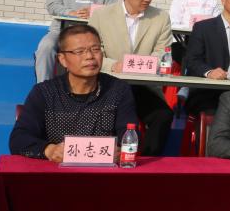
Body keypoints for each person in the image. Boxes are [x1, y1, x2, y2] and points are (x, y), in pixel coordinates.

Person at [10, 24, 136, 161]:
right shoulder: (44, 92)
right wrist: (49, 150)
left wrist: (120, 150)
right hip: (56, 171)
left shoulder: (118, 90)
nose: (90, 56)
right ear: (62, 59)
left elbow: (129, 135)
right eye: (79, 51)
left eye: (95, 49)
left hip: (104, 171)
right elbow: (19, 139)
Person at [88, 0, 174, 155]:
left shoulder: (161, 17)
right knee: (119, 119)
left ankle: (149, 161)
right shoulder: (101, 16)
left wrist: (139, 65)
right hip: (108, 84)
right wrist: (113, 65)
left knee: (163, 115)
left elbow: (163, 52)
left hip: (143, 86)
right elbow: (92, 51)